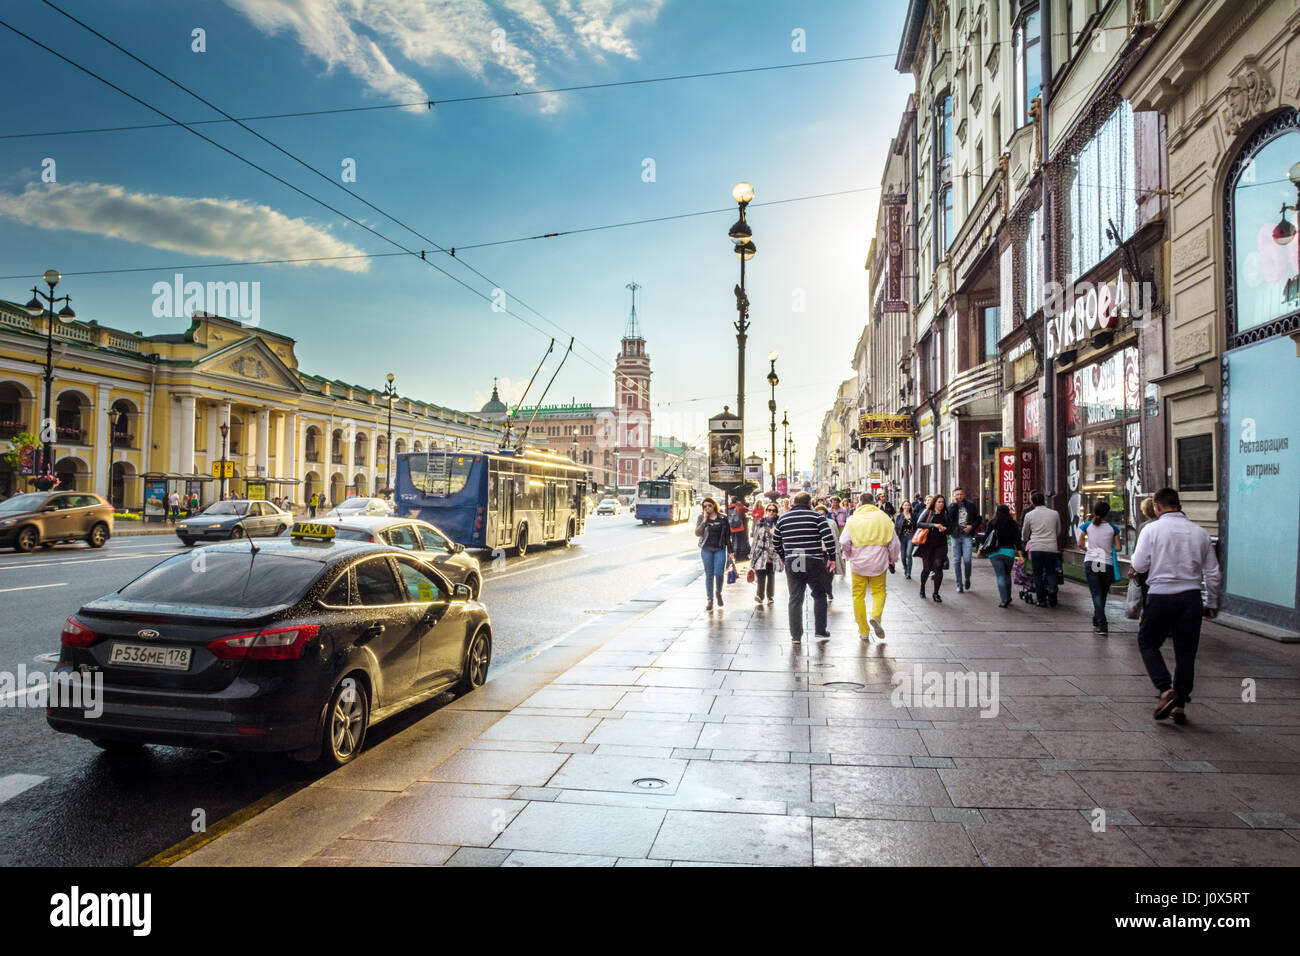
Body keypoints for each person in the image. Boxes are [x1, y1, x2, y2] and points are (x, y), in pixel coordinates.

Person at [1129, 488, 1221, 725]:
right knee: (1186, 653)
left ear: (1157, 507)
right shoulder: (1200, 533)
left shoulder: (1151, 529)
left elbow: (1139, 563)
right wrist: (1211, 602)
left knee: (1148, 642)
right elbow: (1213, 572)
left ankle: (1164, 688)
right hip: (1191, 598)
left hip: (1161, 597)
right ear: (1178, 505)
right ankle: (1179, 704)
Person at [773, 491, 836, 642]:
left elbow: (776, 541)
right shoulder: (817, 517)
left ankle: (796, 636)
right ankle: (820, 630)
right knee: (819, 594)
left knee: (795, 597)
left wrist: (783, 556)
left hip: (795, 558)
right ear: (809, 503)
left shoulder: (783, 518)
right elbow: (828, 538)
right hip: (813, 559)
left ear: (794, 503)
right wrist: (832, 558)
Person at [840, 492, 901, 643]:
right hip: (879, 561)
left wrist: (848, 553)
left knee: (858, 595)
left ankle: (864, 631)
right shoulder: (884, 519)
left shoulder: (853, 520)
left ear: (859, 503)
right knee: (879, 591)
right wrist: (892, 559)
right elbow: (895, 544)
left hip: (858, 562)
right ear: (874, 503)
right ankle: (875, 615)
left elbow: (843, 541)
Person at [1078, 498, 1123, 634]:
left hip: (1091, 561)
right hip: (1106, 563)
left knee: (1096, 593)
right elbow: (1119, 547)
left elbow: (1080, 544)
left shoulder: (1087, 526)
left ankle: (1100, 621)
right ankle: (1099, 620)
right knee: (1102, 594)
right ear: (1107, 514)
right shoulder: (1113, 529)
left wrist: (1089, 551)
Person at [1021, 490, 1064, 607]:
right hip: (1051, 547)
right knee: (1051, 572)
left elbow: (1025, 533)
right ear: (1044, 501)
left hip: (1036, 547)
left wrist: (1026, 540)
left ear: (1033, 502)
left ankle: (1041, 600)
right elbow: (1058, 530)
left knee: (1038, 574)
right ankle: (1052, 591)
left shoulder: (1029, 515)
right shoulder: (1054, 513)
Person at [980, 504, 1024, 608]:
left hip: (995, 553)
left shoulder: (993, 523)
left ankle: (1004, 600)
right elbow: (1017, 540)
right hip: (1009, 552)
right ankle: (1008, 597)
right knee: (1007, 575)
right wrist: (1021, 554)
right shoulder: (1013, 524)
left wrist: (981, 547)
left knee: (1000, 576)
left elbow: (986, 536)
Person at [696, 497, 733, 611]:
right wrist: (704, 520)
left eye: (709, 506)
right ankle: (710, 600)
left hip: (719, 549)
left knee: (719, 573)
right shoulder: (701, 517)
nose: (707, 508)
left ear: (714, 506)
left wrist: (731, 552)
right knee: (709, 575)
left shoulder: (723, 518)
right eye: (705, 506)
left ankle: (718, 593)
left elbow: (727, 536)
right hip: (706, 549)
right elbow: (697, 533)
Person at [944, 487, 982, 593]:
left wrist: (971, 526)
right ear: (954, 496)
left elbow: (978, 519)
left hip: (967, 535)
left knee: (967, 559)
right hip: (955, 536)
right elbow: (947, 519)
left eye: (961, 494)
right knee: (956, 560)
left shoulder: (970, 505)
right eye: (957, 495)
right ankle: (959, 584)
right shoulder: (952, 506)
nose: (959, 496)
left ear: (964, 494)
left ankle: (967, 578)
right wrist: (953, 506)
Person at [915, 493, 950, 602]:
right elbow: (919, 523)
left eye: (942, 502)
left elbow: (951, 528)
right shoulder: (928, 512)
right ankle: (922, 588)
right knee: (927, 568)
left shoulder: (945, 514)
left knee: (938, 566)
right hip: (928, 544)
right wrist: (934, 525)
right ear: (934, 503)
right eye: (939, 502)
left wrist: (945, 529)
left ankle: (936, 593)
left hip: (941, 544)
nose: (941, 504)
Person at [750, 502, 781, 605]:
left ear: (777, 512)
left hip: (773, 553)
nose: (771, 512)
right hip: (761, 552)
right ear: (766, 511)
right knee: (760, 574)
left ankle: (770, 596)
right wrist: (752, 555)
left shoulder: (779, 523)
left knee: (771, 575)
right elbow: (755, 539)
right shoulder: (760, 523)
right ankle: (759, 595)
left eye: (774, 510)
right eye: (769, 510)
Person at [815, 504, 843, 603]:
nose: (821, 516)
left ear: (826, 514)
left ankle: (828, 590)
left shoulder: (831, 523)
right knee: (820, 573)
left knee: (829, 573)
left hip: (829, 551)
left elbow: (836, 536)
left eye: (823, 514)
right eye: (818, 514)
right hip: (818, 551)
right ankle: (824, 591)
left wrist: (837, 550)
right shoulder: (814, 523)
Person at [895, 500, 918, 579]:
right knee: (903, 557)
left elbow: (916, 526)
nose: (907, 507)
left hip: (910, 537)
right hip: (902, 537)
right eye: (905, 505)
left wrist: (915, 535)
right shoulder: (899, 516)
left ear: (910, 506)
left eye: (908, 505)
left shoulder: (914, 515)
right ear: (902, 506)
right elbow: (896, 528)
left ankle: (908, 572)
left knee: (909, 554)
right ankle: (905, 568)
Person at [727, 496, 750, 561]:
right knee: (738, 541)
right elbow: (746, 510)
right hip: (739, 527)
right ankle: (737, 555)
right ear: (737, 501)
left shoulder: (728, 507)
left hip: (731, 527)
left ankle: (732, 553)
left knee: (733, 540)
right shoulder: (739, 507)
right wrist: (740, 504)